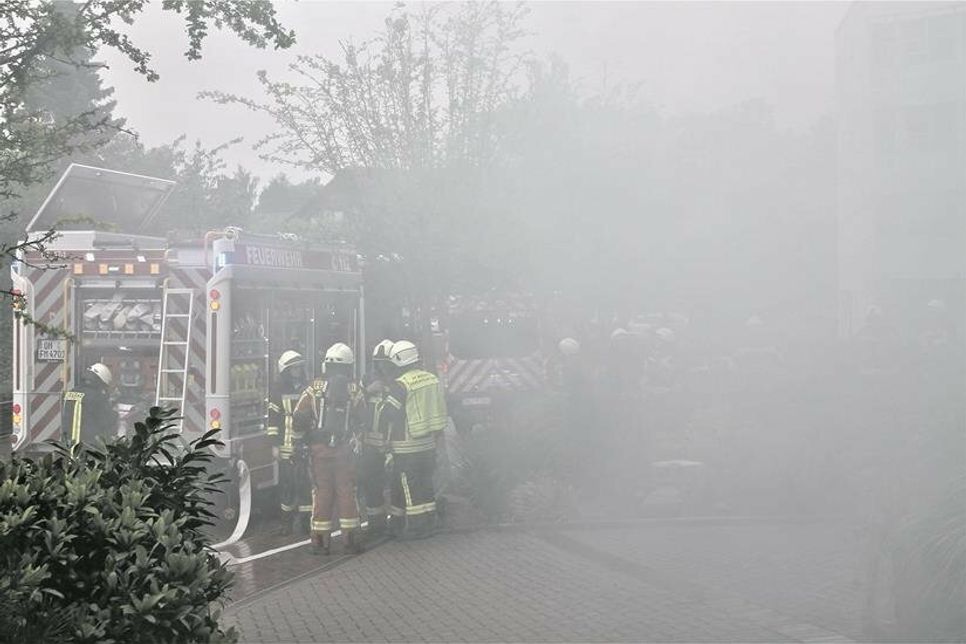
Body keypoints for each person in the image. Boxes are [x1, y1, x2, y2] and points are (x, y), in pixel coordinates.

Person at [293, 342, 366, 555]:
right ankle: (350, 540)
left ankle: (319, 542)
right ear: (349, 366)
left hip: (319, 452)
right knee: (347, 493)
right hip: (344, 452)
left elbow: (298, 418)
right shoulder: (355, 391)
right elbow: (362, 420)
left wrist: (299, 444)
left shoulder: (312, 389)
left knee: (321, 494)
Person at [382, 340, 448, 539]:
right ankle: (428, 521)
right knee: (425, 483)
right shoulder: (432, 379)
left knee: (408, 486)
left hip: (406, 446)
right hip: (428, 443)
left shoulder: (401, 385)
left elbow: (388, 413)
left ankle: (417, 527)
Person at [267, 350, 312, 536]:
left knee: (305, 485)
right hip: (286, 446)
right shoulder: (278, 391)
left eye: (300, 368)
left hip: (304, 444)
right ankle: (286, 524)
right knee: (287, 486)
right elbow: (273, 419)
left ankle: (305, 523)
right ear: (286, 370)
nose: (298, 371)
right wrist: (274, 445)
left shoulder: (307, 388)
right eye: (294, 368)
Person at [360, 339, 394, 536]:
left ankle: (397, 523)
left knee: (396, 486)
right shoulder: (366, 380)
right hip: (370, 447)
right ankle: (376, 525)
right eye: (378, 362)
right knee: (372, 486)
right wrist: (367, 391)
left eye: (385, 362)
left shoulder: (399, 383)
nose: (381, 366)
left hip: (392, 445)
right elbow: (354, 404)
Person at [62, 363, 118, 446]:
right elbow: (106, 420)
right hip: (90, 445)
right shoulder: (98, 397)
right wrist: (115, 414)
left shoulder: (71, 393)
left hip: (69, 442)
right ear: (100, 380)